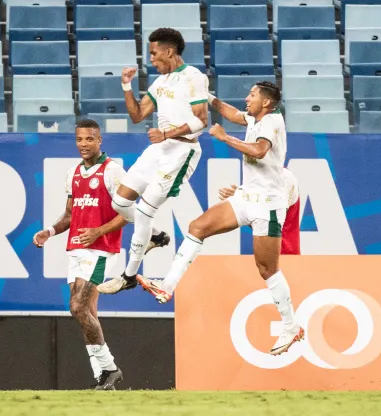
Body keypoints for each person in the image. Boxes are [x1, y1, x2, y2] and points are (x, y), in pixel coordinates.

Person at [136, 81, 305, 355]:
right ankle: (167, 286)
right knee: (197, 227)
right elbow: (232, 113)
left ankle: (290, 325)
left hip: (268, 206)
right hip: (246, 198)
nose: (246, 98)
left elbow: (260, 150)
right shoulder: (254, 117)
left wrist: (225, 138)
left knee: (267, 269)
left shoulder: (273, 121)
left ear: (266, 102)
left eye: (252, 95)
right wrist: (207, 96)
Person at [97, 27, 210, 295]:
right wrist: (126, 85)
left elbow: (200, 120)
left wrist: (166, 133)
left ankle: (128, 275)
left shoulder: (194, 77)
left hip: (182, 151)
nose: (151, 59)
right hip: (159, 149)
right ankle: (156, 236)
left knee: (145, 211)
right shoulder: (160, 83)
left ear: (169, 51)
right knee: (121, 201)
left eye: (154, 53)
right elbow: (137, 115)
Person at [32, 119, 127, 390]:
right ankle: (103, 376)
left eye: (89, 139)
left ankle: (109, 367)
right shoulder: (73, 172)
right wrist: (49, 231)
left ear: (100, 140)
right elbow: (70, 215)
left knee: (77, 307)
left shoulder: (113, 171)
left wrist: (98, 231)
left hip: (101, 248)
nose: (83, 144)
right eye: (80, 139)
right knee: (87, 312)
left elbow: (128, 214)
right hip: (76, 248)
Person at [218, 167, 301, 255]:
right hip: (266, 258)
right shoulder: (257, 181)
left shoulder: (284, 177)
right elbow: (262, 224)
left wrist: (246, 204)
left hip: (287, 256)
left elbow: (273, 224)